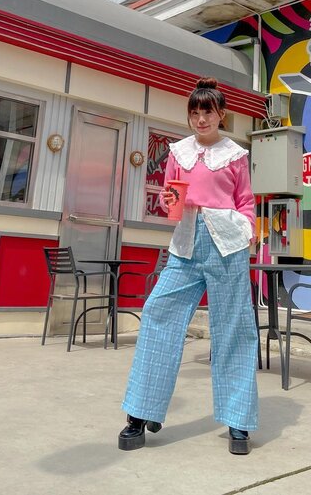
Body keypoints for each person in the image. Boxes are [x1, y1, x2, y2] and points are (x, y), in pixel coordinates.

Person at [118, 77, 259, 455]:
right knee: (157, 312)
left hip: (227, 244)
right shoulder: (177, 152)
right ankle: (140, 412)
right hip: (185, 244)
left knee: (233, 328)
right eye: (194, 112)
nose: (200, 119)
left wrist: (247, 230)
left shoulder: (236, 155)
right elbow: (170, 202)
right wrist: (167, 200)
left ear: (221, 114)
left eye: (207, 112)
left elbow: (245, 202)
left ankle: (238, 421)